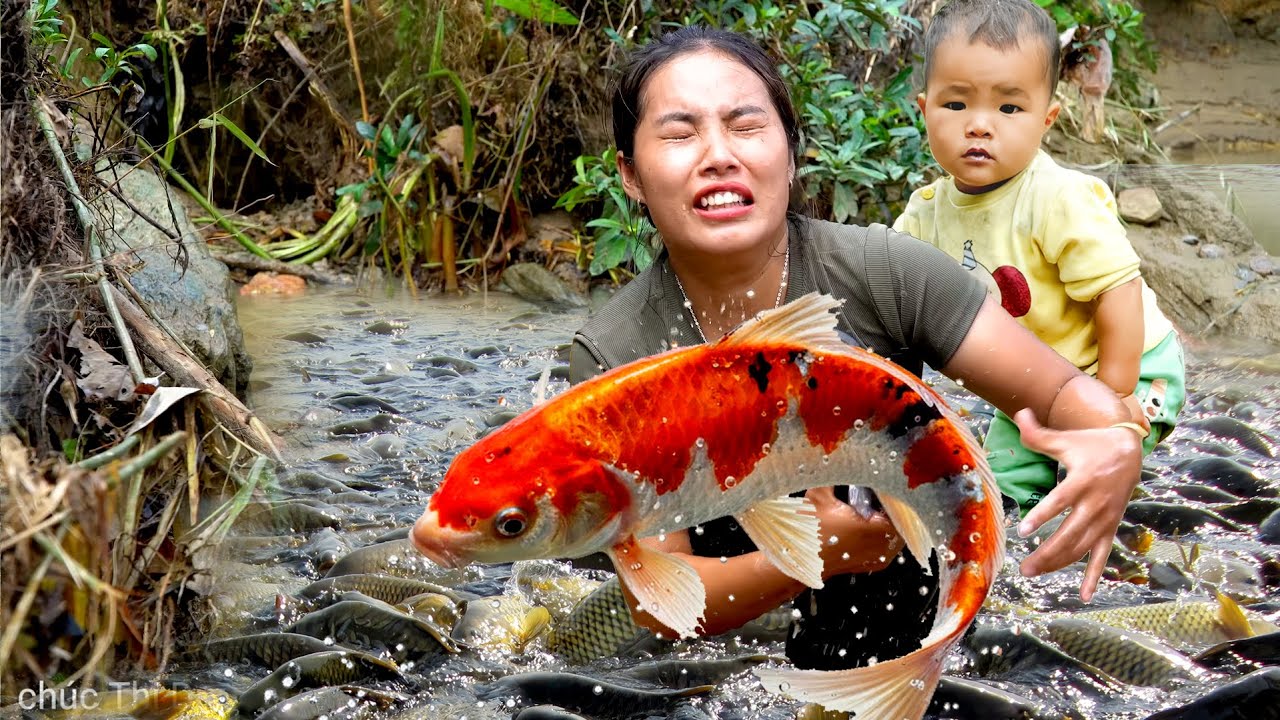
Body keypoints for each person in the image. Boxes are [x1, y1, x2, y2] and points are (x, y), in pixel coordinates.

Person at [567, 25, 1142, 672]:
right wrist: (818, 552)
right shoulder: (616, 355)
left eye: (746, 126)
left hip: (898, 618)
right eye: (679, 134)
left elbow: (1064, 392)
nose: (718, 155)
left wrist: (1117, 436)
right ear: (631, 176)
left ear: (790, 155)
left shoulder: (884, 273)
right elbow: (663, 601)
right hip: (715, 658)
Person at [893, 0, 1185, 513]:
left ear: (1047, 118)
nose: (979, 125)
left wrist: (1110, 402)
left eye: (1009, 108)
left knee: (1092, 472)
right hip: (1031, 379)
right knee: (1004, 497)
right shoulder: (925, 215)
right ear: (924, 110)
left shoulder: (1057, 198)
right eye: (956, 105)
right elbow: (885, 290)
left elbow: (1119, 293)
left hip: (1129, 364)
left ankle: (1118, 534)